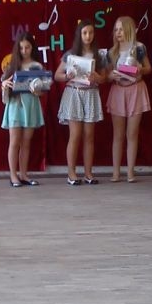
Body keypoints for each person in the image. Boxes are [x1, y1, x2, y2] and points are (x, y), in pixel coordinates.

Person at [54, 18, 106, 185]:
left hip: (91, 94)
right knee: (75, 135)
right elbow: (57, 75)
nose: (88, 36)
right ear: (79, 35)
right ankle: (71, 173)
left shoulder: (99, 55)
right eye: (84, 33)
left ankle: (88, 173)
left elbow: (104, 78)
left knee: (89, 136)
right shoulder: (71, 54)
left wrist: (97, 77)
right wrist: (67, 76)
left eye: (90, 32)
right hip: (74, 93)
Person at [106, 16, 152, 183]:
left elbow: (148, 68)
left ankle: (130, 172)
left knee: (132, 134)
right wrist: (111, 76)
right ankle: (116, 172)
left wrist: (140, 69)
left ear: (129, 30)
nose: (118, 32)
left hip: (136, 90)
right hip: (118, 91)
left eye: (121, 29)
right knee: (118, 135)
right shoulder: (112, 52)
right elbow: (107, 75)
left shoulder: (139, 48)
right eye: (116, 29)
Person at [0, 32, 47, 187]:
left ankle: (24, 174)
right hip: (15, 105)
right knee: (14, 141)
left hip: (31, 105)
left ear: (32, 48)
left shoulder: (37, 66)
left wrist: (37, 90)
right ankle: (13, 175)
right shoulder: (12, 65)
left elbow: (42, 90)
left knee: (26, 142)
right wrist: (4, 85)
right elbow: (4, 85)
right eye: (21, 48)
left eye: (27, 47)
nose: (24, 51)